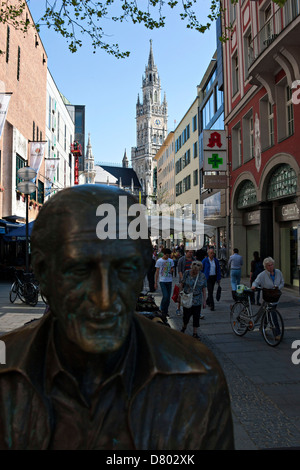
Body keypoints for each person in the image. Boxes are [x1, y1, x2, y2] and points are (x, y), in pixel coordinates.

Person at [0, 185, 234, 450]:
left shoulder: (197, 375)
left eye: (125, 269)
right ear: (42, 273)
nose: (104, 298)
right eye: (79, 270)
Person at [251, 257, 284, 341]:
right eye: (268, 265)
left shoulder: (278, 272)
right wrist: (254, 286)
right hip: (267, 296)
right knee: (272, 314)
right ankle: (277, 333)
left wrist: (278, 288)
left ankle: (262, 326)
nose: (271, 267)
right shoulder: (262, 274)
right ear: (265, 266)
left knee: (267, 312)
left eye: (272, 265)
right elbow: (256, 281)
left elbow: (282, 282)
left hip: (275, 296)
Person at [180, 261, 207, 339]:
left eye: (196, 271)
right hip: (187, 298)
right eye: (193, 270)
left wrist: (204, 301)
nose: (194, 272)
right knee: (186, 316)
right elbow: (182, 283)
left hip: (197, 299)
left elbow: (204, 288)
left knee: (196, 316)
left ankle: (195, 333)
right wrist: (180, 294)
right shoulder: (186, 273)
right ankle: (184, 327)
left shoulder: (202, 276)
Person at [154, 248, 174, 319]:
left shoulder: (171, 261)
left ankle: (165, 312)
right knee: (165, 296)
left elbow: (172, 268)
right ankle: (161, 309)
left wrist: (172, 270)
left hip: (169, 280)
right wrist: (155, 283)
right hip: (162, 281)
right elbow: (157, 272)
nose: (168, 257)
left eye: (169, 255)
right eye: (167, 255)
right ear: (164, 254)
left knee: (168, 298)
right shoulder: (159, 261)